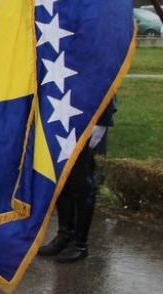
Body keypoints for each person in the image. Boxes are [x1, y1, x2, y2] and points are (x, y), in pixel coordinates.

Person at [39, 99, 116, 262]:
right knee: (63, 180)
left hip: (85, 118)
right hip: (59, 115)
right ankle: (64, 235)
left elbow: (107, 80)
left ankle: (80, 244)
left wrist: (103, 120)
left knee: (82, 183)